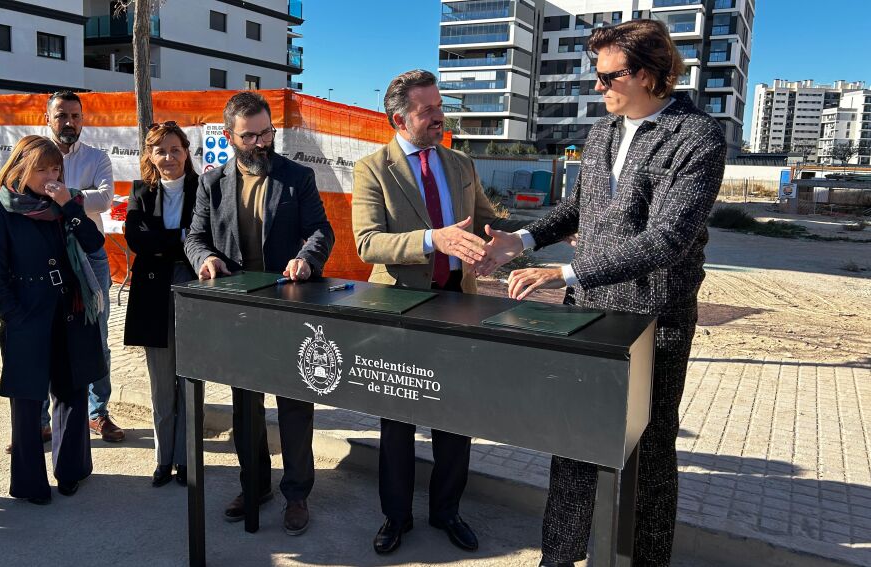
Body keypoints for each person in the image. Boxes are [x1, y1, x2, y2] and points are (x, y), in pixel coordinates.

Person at [476, 20, 726, 566]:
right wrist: (521, 240)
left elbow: (667, 239)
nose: (598, 86)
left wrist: (564, 274)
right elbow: (579, 208)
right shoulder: (604, 131)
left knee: (648, 453)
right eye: (598, 75)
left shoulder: (697, 137)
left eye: (609, 76)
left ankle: (646, 560)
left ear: (649, 74)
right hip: (587, 312)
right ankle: (558, 558)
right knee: (571, 441)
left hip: (652, 319)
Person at [350, 69, 530, 555]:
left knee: (455, 414)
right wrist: (434, 239)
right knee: (397, 420)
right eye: (427, 110)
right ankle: (396, 516)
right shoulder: (372, 169)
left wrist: (535, 236)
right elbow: (368, 243)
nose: (439, 117)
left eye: (440, 106)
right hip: (400, 309)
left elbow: (490, 222)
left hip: (459, 303)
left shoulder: (460, 162)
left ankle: (447, 510)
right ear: (399, 119)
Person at [184, 91, 334, 536]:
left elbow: (320, 230)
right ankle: (254, 485)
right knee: (245, 407)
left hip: (288, 310)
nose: (261, 142)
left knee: (294, 406)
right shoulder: (212, 183)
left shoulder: (297, 177)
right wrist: (205, 259)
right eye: (249, 136)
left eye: (266, 132)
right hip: (239, 315)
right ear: (229, 136)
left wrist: (307, 258)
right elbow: (194, 237)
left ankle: (297, 493)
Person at [0, 135, 107, 505]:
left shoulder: (65, 205)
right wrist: (13, 316)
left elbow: (94, 244)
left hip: (70, 309)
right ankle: (28, 483)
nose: (51, 177)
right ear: (21, 168)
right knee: (27, 400)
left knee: (72, 391)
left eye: (56, 169)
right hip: (27, 314)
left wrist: (69, 205)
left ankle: (71, 470)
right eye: (42, 169)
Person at [44, 90, 124, 443]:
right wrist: (79, 195)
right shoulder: (34, 153)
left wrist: (61, 194)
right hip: (46, 255)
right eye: (62, 115)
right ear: (48, 118)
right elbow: (23, 194)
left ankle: (98, 412)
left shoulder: (96, 157)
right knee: (44, 336)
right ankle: (41, 419)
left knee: (97, 335)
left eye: (75, 116)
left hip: (90, 256)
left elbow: (105, 199)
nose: (69, 122)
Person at [123, 122, 199, 487]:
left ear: (186, 152)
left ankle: (185, 459)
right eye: (160, 151)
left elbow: (204, 238)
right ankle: (162, 459)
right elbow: (136, 239)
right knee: (161, 382)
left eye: (175, 149)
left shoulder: (204, 189)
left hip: (192, 288)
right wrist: (180, 238)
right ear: (150, 156)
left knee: (189, 378)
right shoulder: (139, 191)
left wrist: (161, 241)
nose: (168, 157)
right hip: (152, 293)